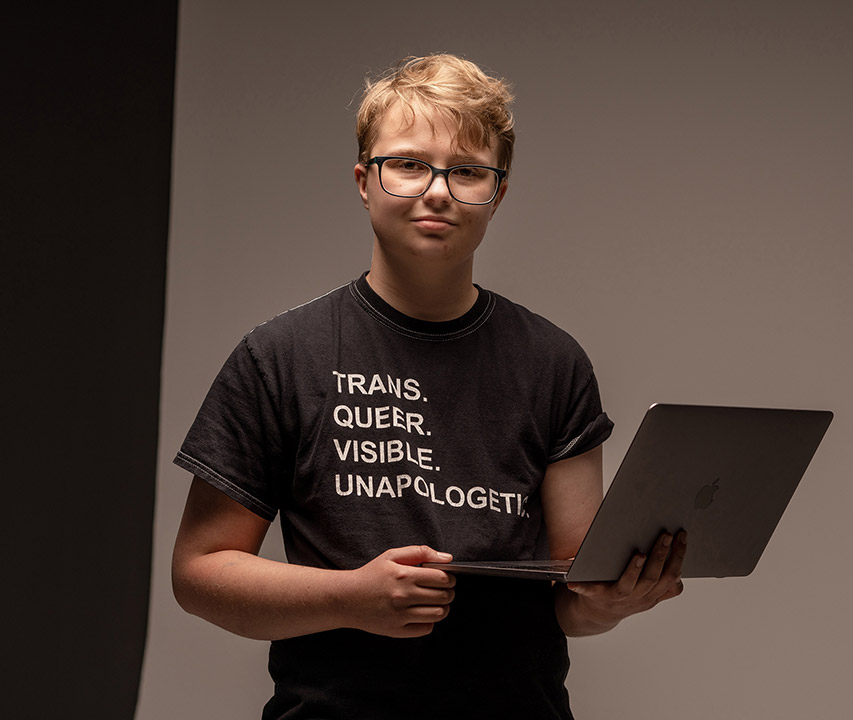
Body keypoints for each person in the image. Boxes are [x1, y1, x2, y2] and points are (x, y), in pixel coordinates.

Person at [171, 53, 687, 719]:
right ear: (364, 180)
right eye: (409, 163)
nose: (438, 190)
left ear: (498, 193)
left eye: (468, 171)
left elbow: (573, 603)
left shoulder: (554, 363)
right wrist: (350, 596)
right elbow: (200, 572)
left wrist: (610, 602)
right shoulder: (279, 357)